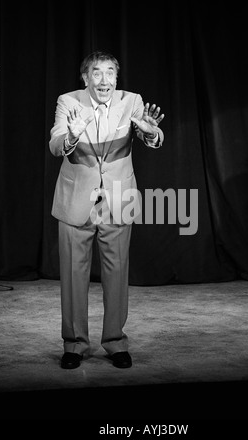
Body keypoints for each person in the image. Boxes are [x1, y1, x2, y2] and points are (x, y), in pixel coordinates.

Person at [49, 50, 165, 369]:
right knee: (74, 274)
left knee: (117, 273)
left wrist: (151, 131)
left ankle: (115, 341)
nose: (105, 79)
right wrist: (71, 135)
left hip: (118, 199)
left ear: (117, 77)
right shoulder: (69, 102)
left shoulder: (132, 101)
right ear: (85, 78)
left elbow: (151, 135)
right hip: (76, 201)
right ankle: (75, 344)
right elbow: (56, 144)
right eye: (97, 73)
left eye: (110, 73)